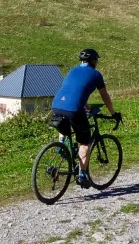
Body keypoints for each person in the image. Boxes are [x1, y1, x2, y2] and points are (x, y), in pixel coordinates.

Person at [51, 48, 120, 188]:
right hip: (74, 109)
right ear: (93, 61)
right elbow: (104, 95)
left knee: (65, 123)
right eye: (97, 60)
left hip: (57, 105)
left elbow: (74, 91)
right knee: (85, 142)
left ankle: (61, 145)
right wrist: (113, 113)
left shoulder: (72, 70)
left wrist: (87, 107)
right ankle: (82, 175)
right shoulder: (95, 74)